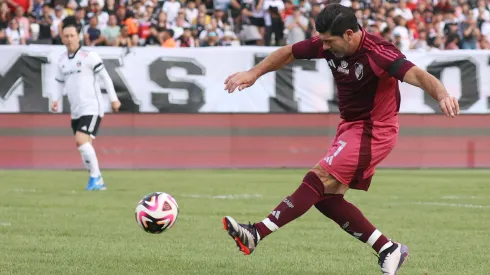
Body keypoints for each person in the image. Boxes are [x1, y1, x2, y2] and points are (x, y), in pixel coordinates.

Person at [222, 4, 459, 275]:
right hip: (350, 127)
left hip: (375, 130)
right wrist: (253, 73)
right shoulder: (328, 43)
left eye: (328, 41)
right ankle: (388, 248)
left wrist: (442, 95)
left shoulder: (378, 53)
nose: (323, 47)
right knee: (326, 198)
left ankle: (256, 233)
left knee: (318, 177)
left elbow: (418, 74)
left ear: (349, 34)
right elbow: (289, 52)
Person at [51, 16, 121, 191]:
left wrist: (113, 98)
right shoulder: (61, 60)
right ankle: (97, 180)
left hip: (92, 107)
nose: (69, 39)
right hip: (76, 109)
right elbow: (59, 82)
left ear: (78, 36)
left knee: (80, 140)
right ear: (62, 38)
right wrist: (55, 99)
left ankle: (95, 178)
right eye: (66, 36)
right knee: (83, 144)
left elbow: (105, 77)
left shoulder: (89, 56)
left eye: (72, 35)